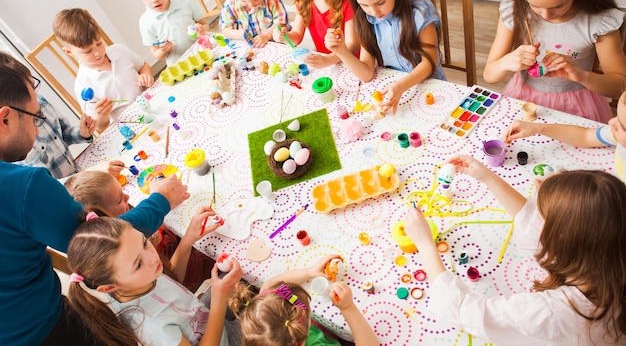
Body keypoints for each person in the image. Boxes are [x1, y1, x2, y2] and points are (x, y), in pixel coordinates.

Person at [0, 63, 190, 346]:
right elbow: (104, 240)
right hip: (40, 331)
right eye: (34, 117)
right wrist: (161, 199)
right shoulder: (24, 187)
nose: (37, 129)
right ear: (4, 119)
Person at [403, 154, 626, 345]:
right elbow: (532, 222)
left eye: (544, 218)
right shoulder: (609, 254)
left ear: (564, 243)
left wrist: (424, 243)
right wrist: (486, 177)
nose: (538, 221)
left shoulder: (552, 313)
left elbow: (462, 310)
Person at [482, 0, 626, 123]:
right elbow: (489, 75)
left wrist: (580, 75)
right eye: (534, 5)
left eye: (558, 6)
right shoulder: (516, 10)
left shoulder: (599, 21)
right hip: (524, 100)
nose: (546, 16)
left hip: (579, 106)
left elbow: (620, 85)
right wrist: (506, 62)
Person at [66, 216, 244, 346]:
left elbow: (172, 282)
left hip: (205, 316)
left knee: (243, 266)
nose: (152, 257)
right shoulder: (153, 327)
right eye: (138, 264)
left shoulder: (138, 279)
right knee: (269, 311)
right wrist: (219, 300)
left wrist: (188, 239)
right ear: (109, 287)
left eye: (144, 242)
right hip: (222, 340)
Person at [326, 0, 446, 114]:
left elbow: (429, 64)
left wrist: (400, 86)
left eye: (380, 2)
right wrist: (341, 51)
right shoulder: (365, 18)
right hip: (394, 91)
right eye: (364, 5)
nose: (374, 12)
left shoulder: (419, 13)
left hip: (430, 89)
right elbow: (366, 73)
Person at [65, 170, 216, 291]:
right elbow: (174, 279)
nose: (128, 197)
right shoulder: (129, 261)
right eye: (119, 200)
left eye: (122, 190)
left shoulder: (127, 234)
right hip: (181, 267)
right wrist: (188, 240)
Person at [0, 52, 125, 179]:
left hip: (78, 175)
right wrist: (91, 174)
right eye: (31, 88)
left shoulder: (41, 103)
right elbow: (49, 187)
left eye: (34, 84)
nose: (35, 94)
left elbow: (63, 133)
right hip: (72, 187)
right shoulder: (17, 145)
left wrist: (82, 133)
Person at [230, 254, 379, 346]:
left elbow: (270, 284)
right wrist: (348, 308)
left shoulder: (261, 320)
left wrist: (309, 271)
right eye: (306, 310)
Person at [53, 8, 155, 132]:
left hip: (152, 103)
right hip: (131, 126)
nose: (97, 53)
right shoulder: (83, 86)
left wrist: (146, 75)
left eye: (99, 43)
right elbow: (100, 127)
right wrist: (102, 115)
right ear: (69, 52)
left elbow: (143, 66)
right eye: (87, 51)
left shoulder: (119, 51)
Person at [506, 89, 626, 180]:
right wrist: (536, 128)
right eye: (617, 117)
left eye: (621, 125)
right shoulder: (617, 135)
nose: (611, 122)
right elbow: (585, 136)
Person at [124, 0, 209, 66]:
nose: (154, 0)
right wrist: (163, 50)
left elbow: (205, 24)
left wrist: (201, 29)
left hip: (203, 53)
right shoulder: (145, 22)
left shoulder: (185, 2)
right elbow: (156, 54)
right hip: (180, 66)